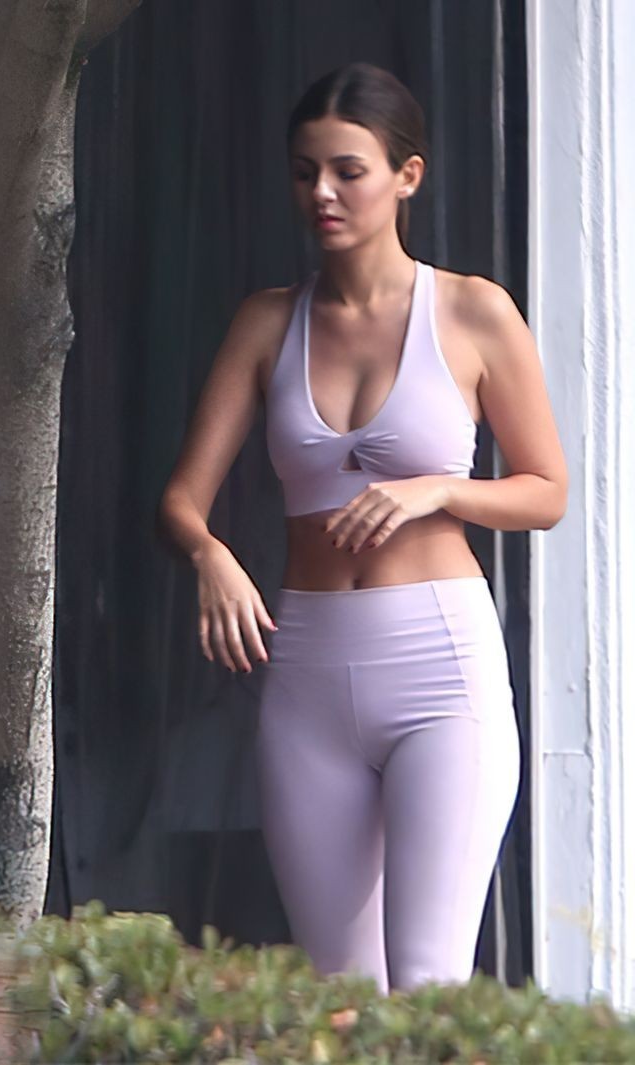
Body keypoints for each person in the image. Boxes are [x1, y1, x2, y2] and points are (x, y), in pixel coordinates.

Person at [160, 62, 565, 992]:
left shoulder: (472, 310)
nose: (323, 193)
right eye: (305, 172)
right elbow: (180, 498)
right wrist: (209, 552)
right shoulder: (269, 322)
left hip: (439, 672)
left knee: (427, 981)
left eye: (349, 171)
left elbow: (547, 491)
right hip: (307, 672)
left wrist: (441, 492)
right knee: (340, 993)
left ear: (406, 175)